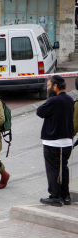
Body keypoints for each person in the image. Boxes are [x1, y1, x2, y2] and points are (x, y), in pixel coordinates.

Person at [37, 75, 74, 207]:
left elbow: (40, 111)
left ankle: (55, 196)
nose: (47, 88)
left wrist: (50, 98)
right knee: (63, 168)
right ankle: (66, 196)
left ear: (55, 86)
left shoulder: (54, 101)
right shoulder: (70, 99)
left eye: (48, 85)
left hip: (54, 142)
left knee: (53, 170)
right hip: (67, 142)